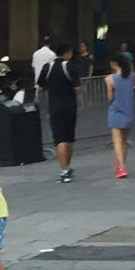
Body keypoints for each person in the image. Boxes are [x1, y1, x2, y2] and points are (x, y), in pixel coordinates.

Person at [37, 43, 81, 183]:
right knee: (69, 138)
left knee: (59, 139)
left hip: (54, 107)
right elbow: (78, 87)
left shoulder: (47, 67)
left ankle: (64, 169)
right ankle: (67, 166)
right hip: (70, 107)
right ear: (67, 53)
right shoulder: (70, 66)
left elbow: (41, 84)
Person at [105, 54, 135, 178]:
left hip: (116, 110)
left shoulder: (110, 79)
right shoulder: (131, 76)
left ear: (114, 63)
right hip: (128, 110)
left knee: (116, 140)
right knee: (123, 140)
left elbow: (110, 98)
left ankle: (121, 167)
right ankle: (120, 164)